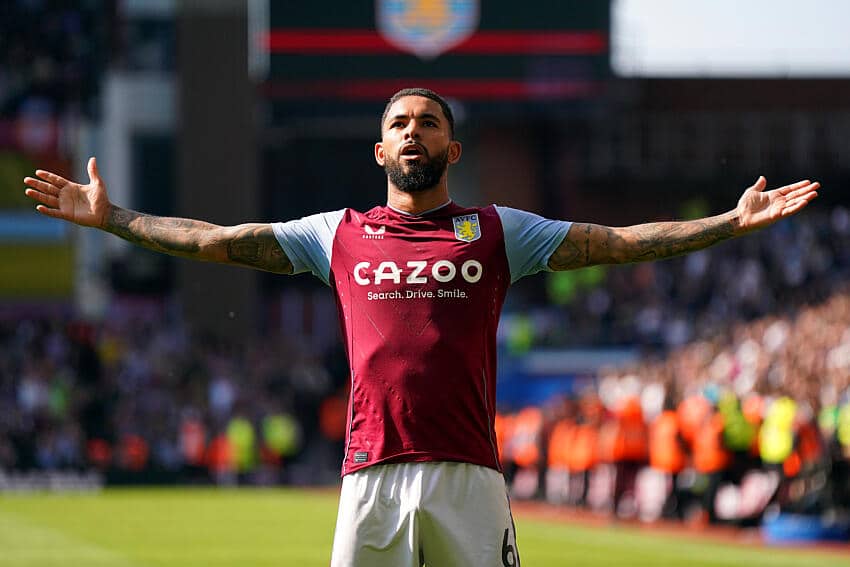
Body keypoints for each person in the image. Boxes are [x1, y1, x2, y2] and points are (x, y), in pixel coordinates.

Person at [24, 87, 819, 566]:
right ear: (380, 150)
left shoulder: (499, 230)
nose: (414, 131)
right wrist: (115, 219)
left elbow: (617, 242)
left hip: (469, 473)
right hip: (370, 472)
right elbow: (218, 240)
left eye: (429, 122)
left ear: (452, 146)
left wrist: (728, 222)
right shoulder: (336, 233)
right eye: (401, 122)